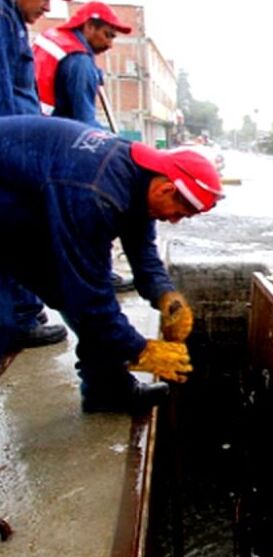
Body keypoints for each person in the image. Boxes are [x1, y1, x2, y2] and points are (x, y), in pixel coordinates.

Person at [0, 115, 225, 413]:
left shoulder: (140, 175)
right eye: (179, 213)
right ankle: (107, 387)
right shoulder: (95, 195)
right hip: (16, 199)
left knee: (70, 288)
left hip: (24, 195)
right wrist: (140, 350)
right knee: (19, 317)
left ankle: (107, 391)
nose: (173, 219)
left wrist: (165, 295)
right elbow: (90, 298)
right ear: (166, 190)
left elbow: (142, 249)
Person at [33, 1, 135, 291]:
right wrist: (116, 150)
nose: (111, 43)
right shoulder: (78, 61)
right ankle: (95, 275)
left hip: (39, 140)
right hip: (57, 149)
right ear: (88, 26)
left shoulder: (57, 44)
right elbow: (83, 122)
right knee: (92, 206)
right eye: (108, 35)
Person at [0, 0, 69, 350]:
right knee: (16, 235)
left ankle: (23, 311)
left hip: (17, 145)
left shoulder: (12, 20)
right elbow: (3, 96)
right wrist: (17, 154)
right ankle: (17, 321)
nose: (47, 5)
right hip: (12, 149)